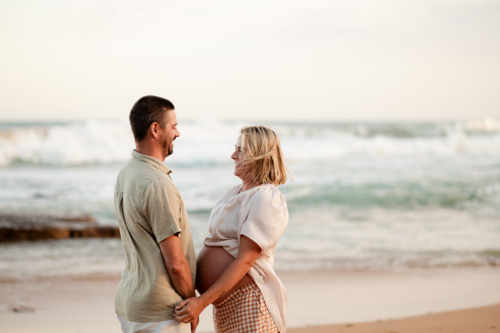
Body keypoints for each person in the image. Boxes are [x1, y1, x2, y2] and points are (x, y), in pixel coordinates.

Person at [174, 125, 290, 333]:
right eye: (235, 148)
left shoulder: (266, 198)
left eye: (241, 150)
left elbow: (246, 260)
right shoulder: (235, 193)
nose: (233, 155)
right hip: (225, 305)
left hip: (250, 303)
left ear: (259, 156)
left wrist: (202, 302)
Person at [114, 96, 198, 333]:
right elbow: (175, 263)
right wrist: (193, 302)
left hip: (131, 302)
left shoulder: (127, 172)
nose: (178, 133)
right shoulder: (157, 183)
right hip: (160, 312)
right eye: (173, 126)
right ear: (155, 129)